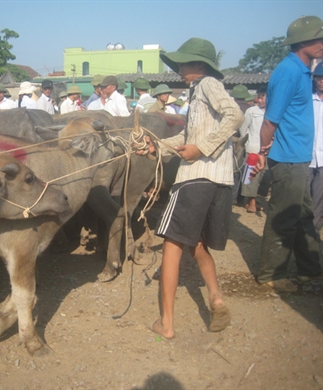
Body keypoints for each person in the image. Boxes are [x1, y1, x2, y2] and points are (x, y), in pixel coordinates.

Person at [136, 37, 243, 339]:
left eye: (183, 64)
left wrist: (202, 148)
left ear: (199, 65)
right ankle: (216, 296)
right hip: (218, 180)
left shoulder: (208, 84)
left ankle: (166, 324)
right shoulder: (197, 94)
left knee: (172, 244)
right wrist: (156, 147)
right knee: (196, 243)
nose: (179, 70)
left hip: (195, 178)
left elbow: (235, 115)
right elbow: (188, 136)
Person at [254, 15, 323, 292]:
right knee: (284, 215)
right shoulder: (288, 72)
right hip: (288, 157)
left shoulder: (304, 71)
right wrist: (261, 151)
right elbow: (271, 120)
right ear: (302, 42)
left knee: (303, 214)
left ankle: (311, 268)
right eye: (319, 39)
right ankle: (271, 273)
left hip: (300, 156)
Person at [239, 86, 268, 213]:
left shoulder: (274, 111)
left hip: (268, 150)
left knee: (264, 177)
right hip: (253, 148)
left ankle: (257, 199)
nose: (260, 100)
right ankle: (251, 201)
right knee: (252, 176)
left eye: (263, 97)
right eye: (259, 97)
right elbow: (243, 128)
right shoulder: (251, 111)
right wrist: (246, 143)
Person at [311, 61, 323, 241]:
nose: (322, 81)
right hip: (306, 158)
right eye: (319, 78)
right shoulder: (306, 100)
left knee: (318, 202)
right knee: (302, 200)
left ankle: (311, 236)